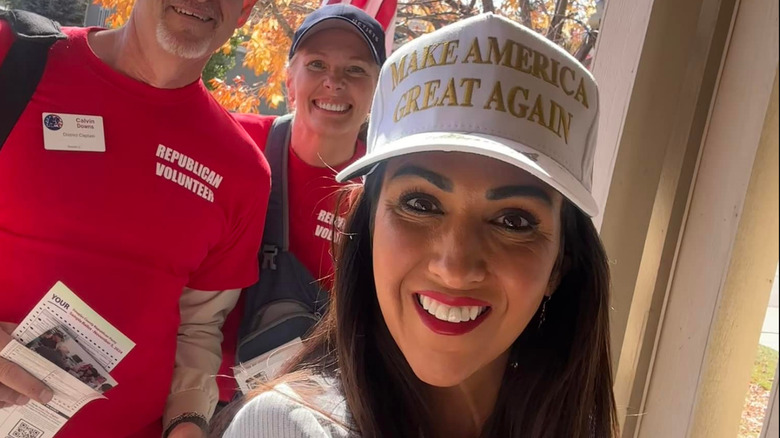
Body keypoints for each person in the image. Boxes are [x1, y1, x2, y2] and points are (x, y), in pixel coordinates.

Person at [217, 13, 619, 438]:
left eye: (514, 221)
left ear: (561, 263)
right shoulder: (285, 428)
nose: (455, 265)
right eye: (420, 204)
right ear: (367, 227)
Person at [0, 1, 270, 437]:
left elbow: (200, 326)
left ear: (245, 11)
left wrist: (188, 421)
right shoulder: (13, 55)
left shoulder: (243, 170)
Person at [215, 3, 386, 404]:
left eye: (356, 70)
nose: (334, 82)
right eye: (317, 65)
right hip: (201, 396)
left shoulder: (388, 190)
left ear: (377, 92)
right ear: (289, 80)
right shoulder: (229, 141)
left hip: (311, 408)